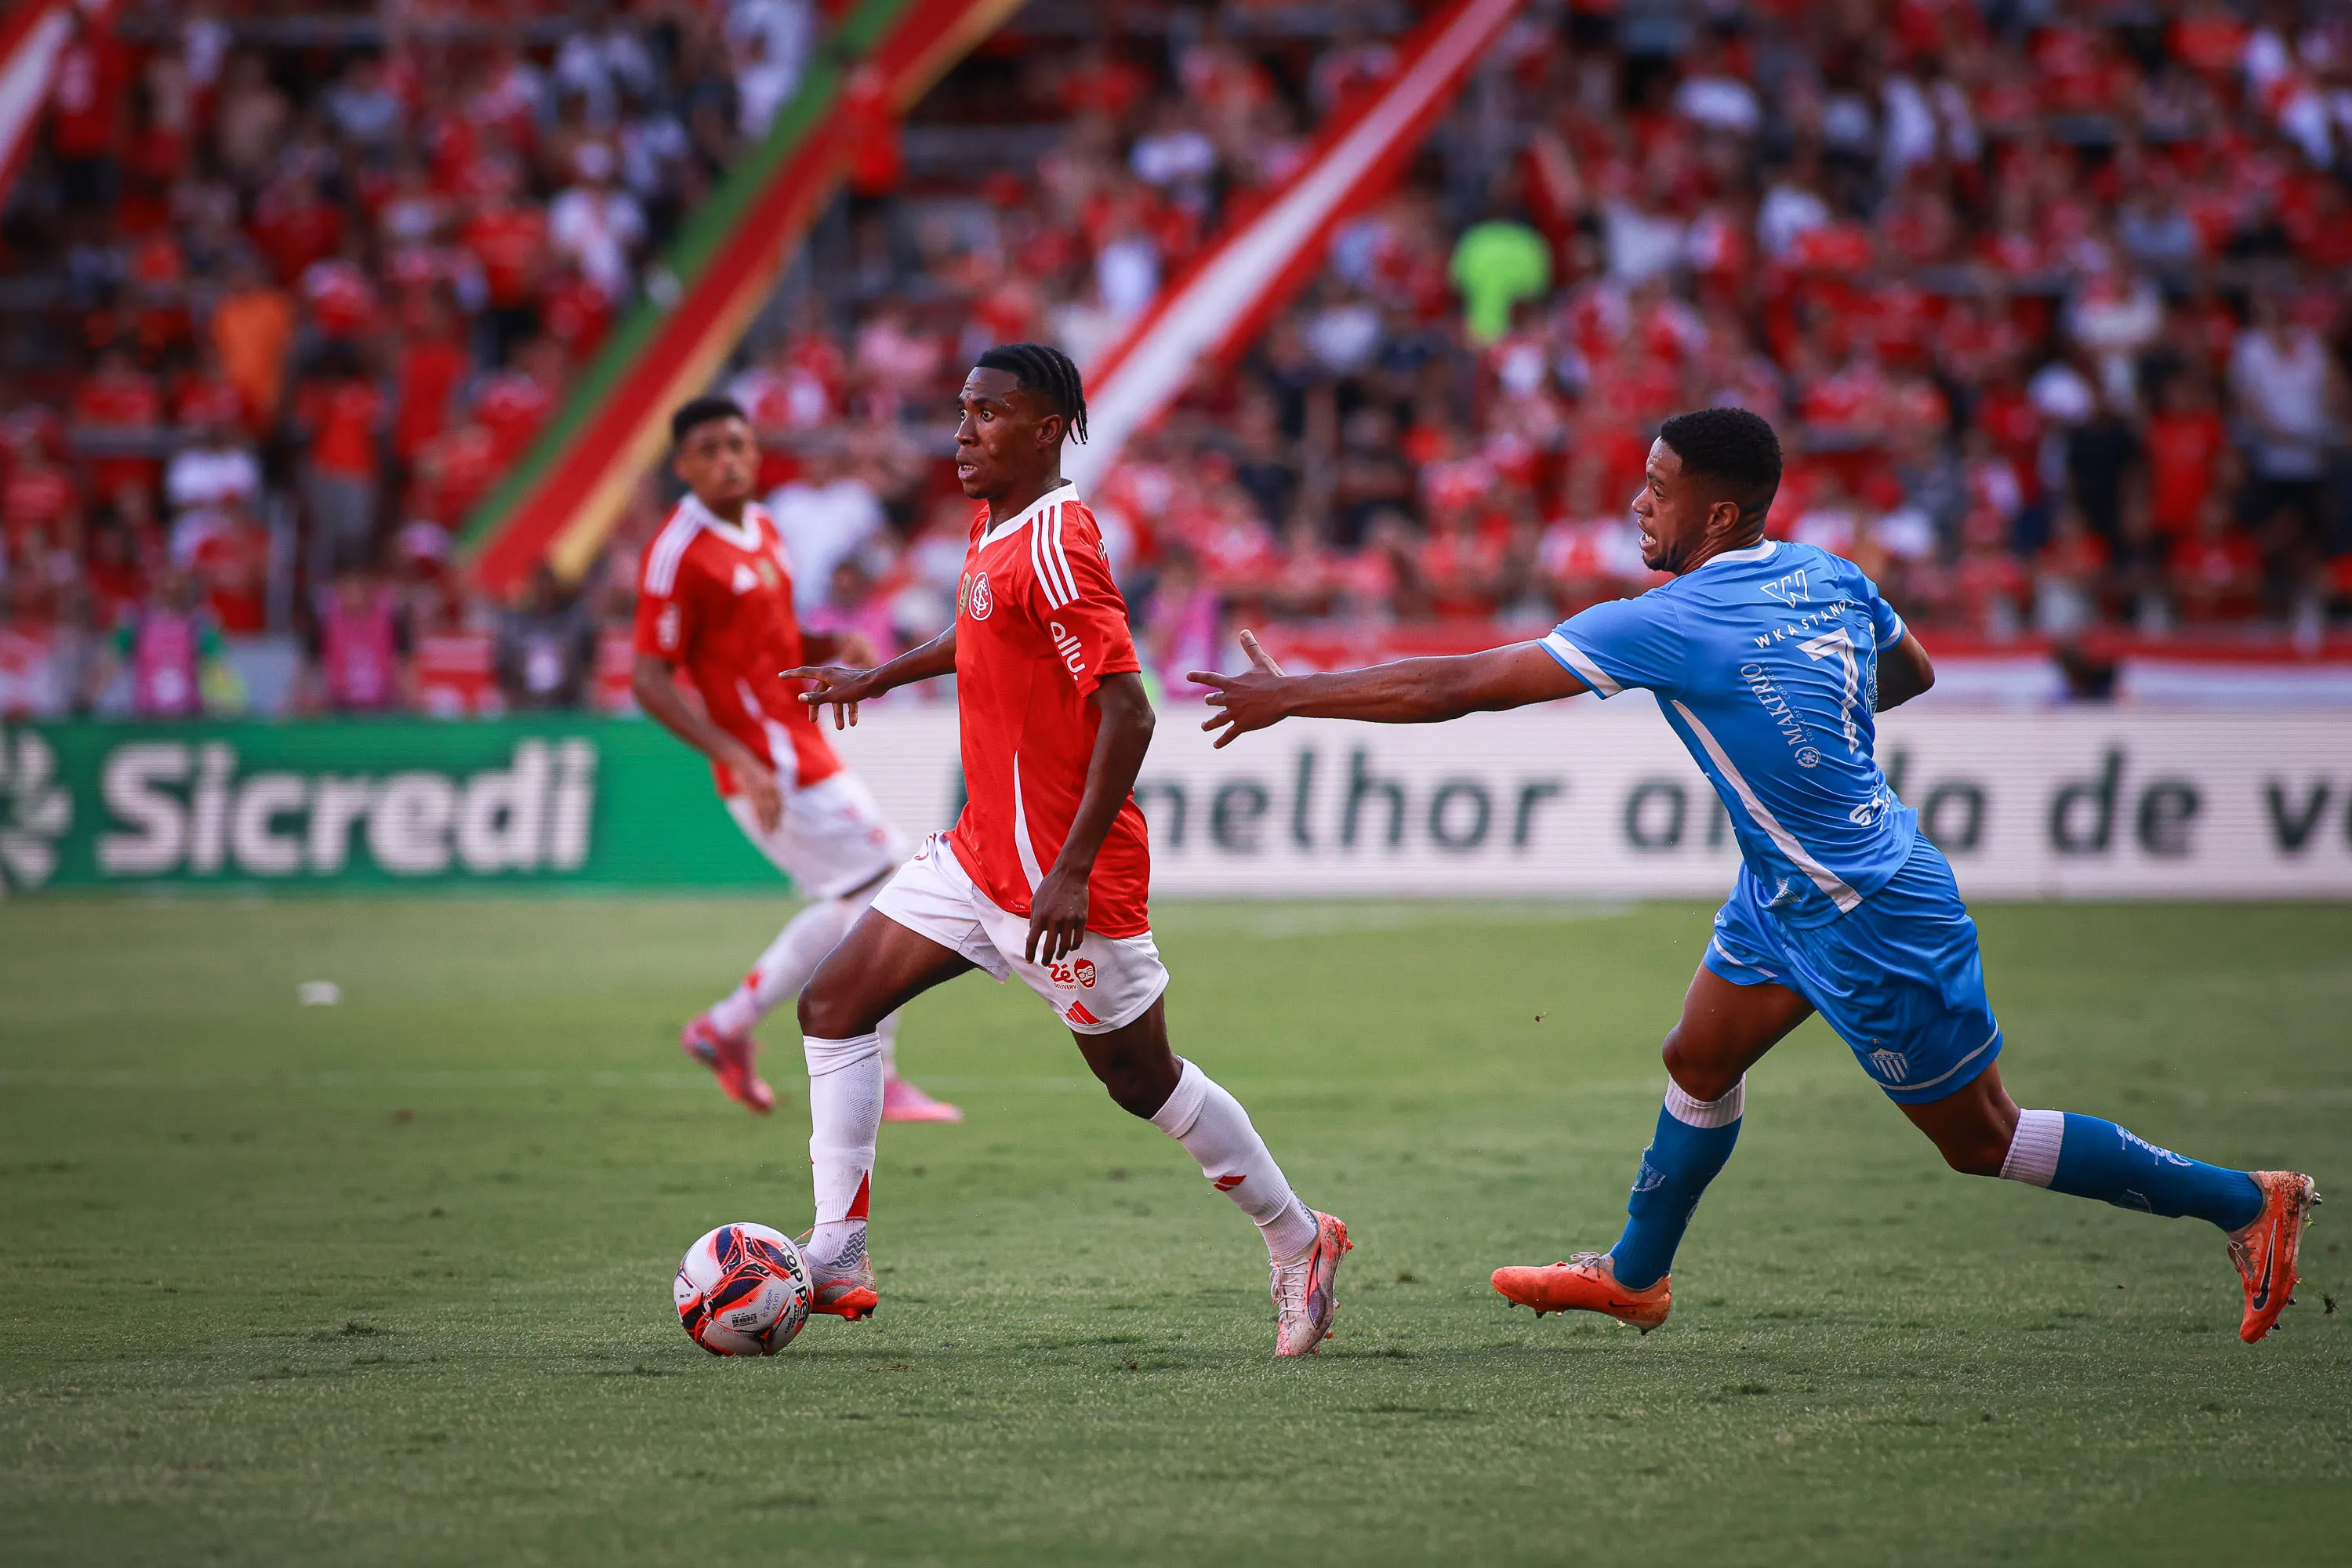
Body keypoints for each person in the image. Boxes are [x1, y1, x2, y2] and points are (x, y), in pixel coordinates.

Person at [1192, 407, 2318, 1345]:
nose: (1640, 502)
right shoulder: (1830, 574)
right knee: (1698, 1054)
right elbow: (1910, 671)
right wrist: (1815, 736)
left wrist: (1296, 695)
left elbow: (1465, 686)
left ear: (1717, 513)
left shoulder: (1674, 620)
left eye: (1658, 486)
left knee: (1982, 1140)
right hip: (1785, 892)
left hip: (1869, 912)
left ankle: (2243, 1200)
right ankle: (1637, 1274)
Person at [784, 344, 1350, 1354]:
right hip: (974, 857)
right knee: (833, 1004)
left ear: (1046, 430)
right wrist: (875, 678)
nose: (962, 431)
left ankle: (1299, 1235)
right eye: (961, 411)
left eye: (989, 414)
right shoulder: (995, 524)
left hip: (1062, 874)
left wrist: (1074, 868)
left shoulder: (1059, 540)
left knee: (1142, 1080)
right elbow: (978, 633)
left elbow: (1129, 712)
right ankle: (838, 1246)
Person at [632, 397, 958, 1123]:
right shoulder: (678, 550)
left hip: (798, 745)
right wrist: (737, 761)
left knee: (857, 894)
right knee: (893, 886)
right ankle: (875, 1070)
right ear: (683, 465)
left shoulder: (766, 526)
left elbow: (776, 643)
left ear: (755, 453)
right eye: (709, 450)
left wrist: (829, 645)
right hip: (765, 763)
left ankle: (729, 1024)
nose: (726, 461)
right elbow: (648, 680)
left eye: (737, 445)